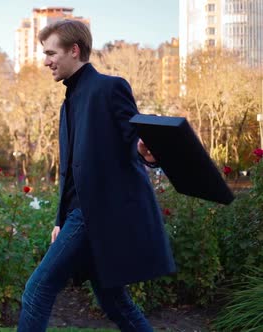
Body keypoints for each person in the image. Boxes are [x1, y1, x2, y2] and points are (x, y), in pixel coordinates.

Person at [17, 20, 176, 332]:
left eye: (51, 53)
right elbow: (71, 172)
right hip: (78, 215)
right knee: (115, 302)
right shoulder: (69, 102)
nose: (46, 61)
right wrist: (59, 219)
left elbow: (134, 140)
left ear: (74, 50)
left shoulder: (109, 87)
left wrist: (146, 149)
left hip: (96, 214)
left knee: (37, 289)